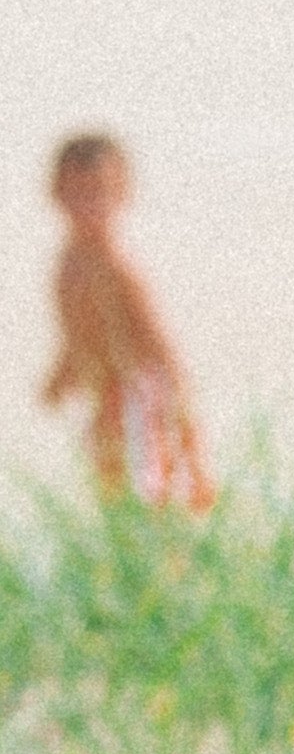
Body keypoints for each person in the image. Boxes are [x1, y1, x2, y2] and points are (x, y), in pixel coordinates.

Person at [41, 133, 212, 512]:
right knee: (109, 478)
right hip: (104, 397)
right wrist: (61, 374)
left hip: (137, 391)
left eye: (101, 194)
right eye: (79, 194)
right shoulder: (69, 262)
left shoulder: (115, 268)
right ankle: (123, 550)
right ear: (56, 194)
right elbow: (79, 331)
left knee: (151, 484)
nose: (91, 207)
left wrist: (179, 398)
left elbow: (154, 335)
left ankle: (164, 550)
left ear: (123, 195)